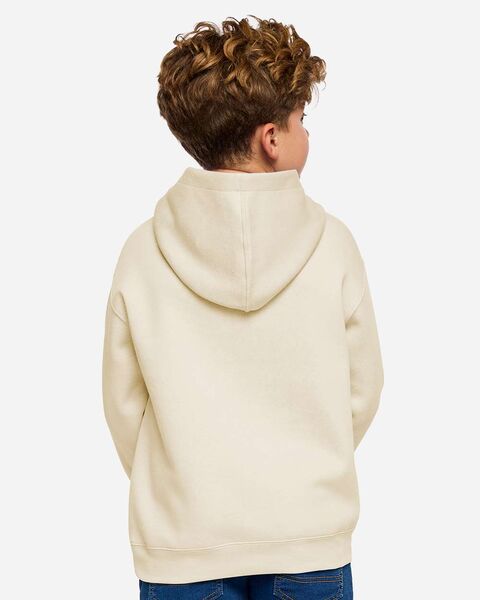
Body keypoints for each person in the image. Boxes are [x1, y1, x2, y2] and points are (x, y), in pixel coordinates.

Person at [102, 15, 384, 600]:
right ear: (271, 138)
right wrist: (308, 468)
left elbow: (123, 403)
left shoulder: (142, 251)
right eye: (302, 119)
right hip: (308, 538)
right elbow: (362, 389)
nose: (308, 133)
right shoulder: (333, 245)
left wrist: (179, 484)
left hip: (184, 544)